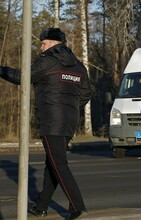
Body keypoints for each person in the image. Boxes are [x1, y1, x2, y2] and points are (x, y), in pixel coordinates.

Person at [0, 28, 92, 220]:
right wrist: (71, 107)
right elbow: (87, 93)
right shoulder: (78, 66)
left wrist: (1, 69)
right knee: (52, 164)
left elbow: (21, 77)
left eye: (43, 43)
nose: (40, 46)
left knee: (58, 163)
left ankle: (77, 206)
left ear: (53, 43)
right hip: (70, 121)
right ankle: (41, 206)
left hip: (51, 121)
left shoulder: (46, 62)